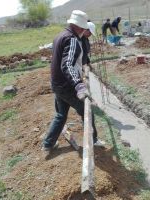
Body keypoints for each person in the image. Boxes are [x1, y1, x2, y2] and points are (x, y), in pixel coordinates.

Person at [42, 10, 105, 152]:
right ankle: (93, 140)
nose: (84, 31)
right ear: (80, 27)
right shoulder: (72, 39)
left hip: (57, 83)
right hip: (67, 85)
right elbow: (67, 64)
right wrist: (78, 84)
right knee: (86, 110)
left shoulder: (60, 35)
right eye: (83, 28)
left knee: (61, 115)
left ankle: (48, 144)